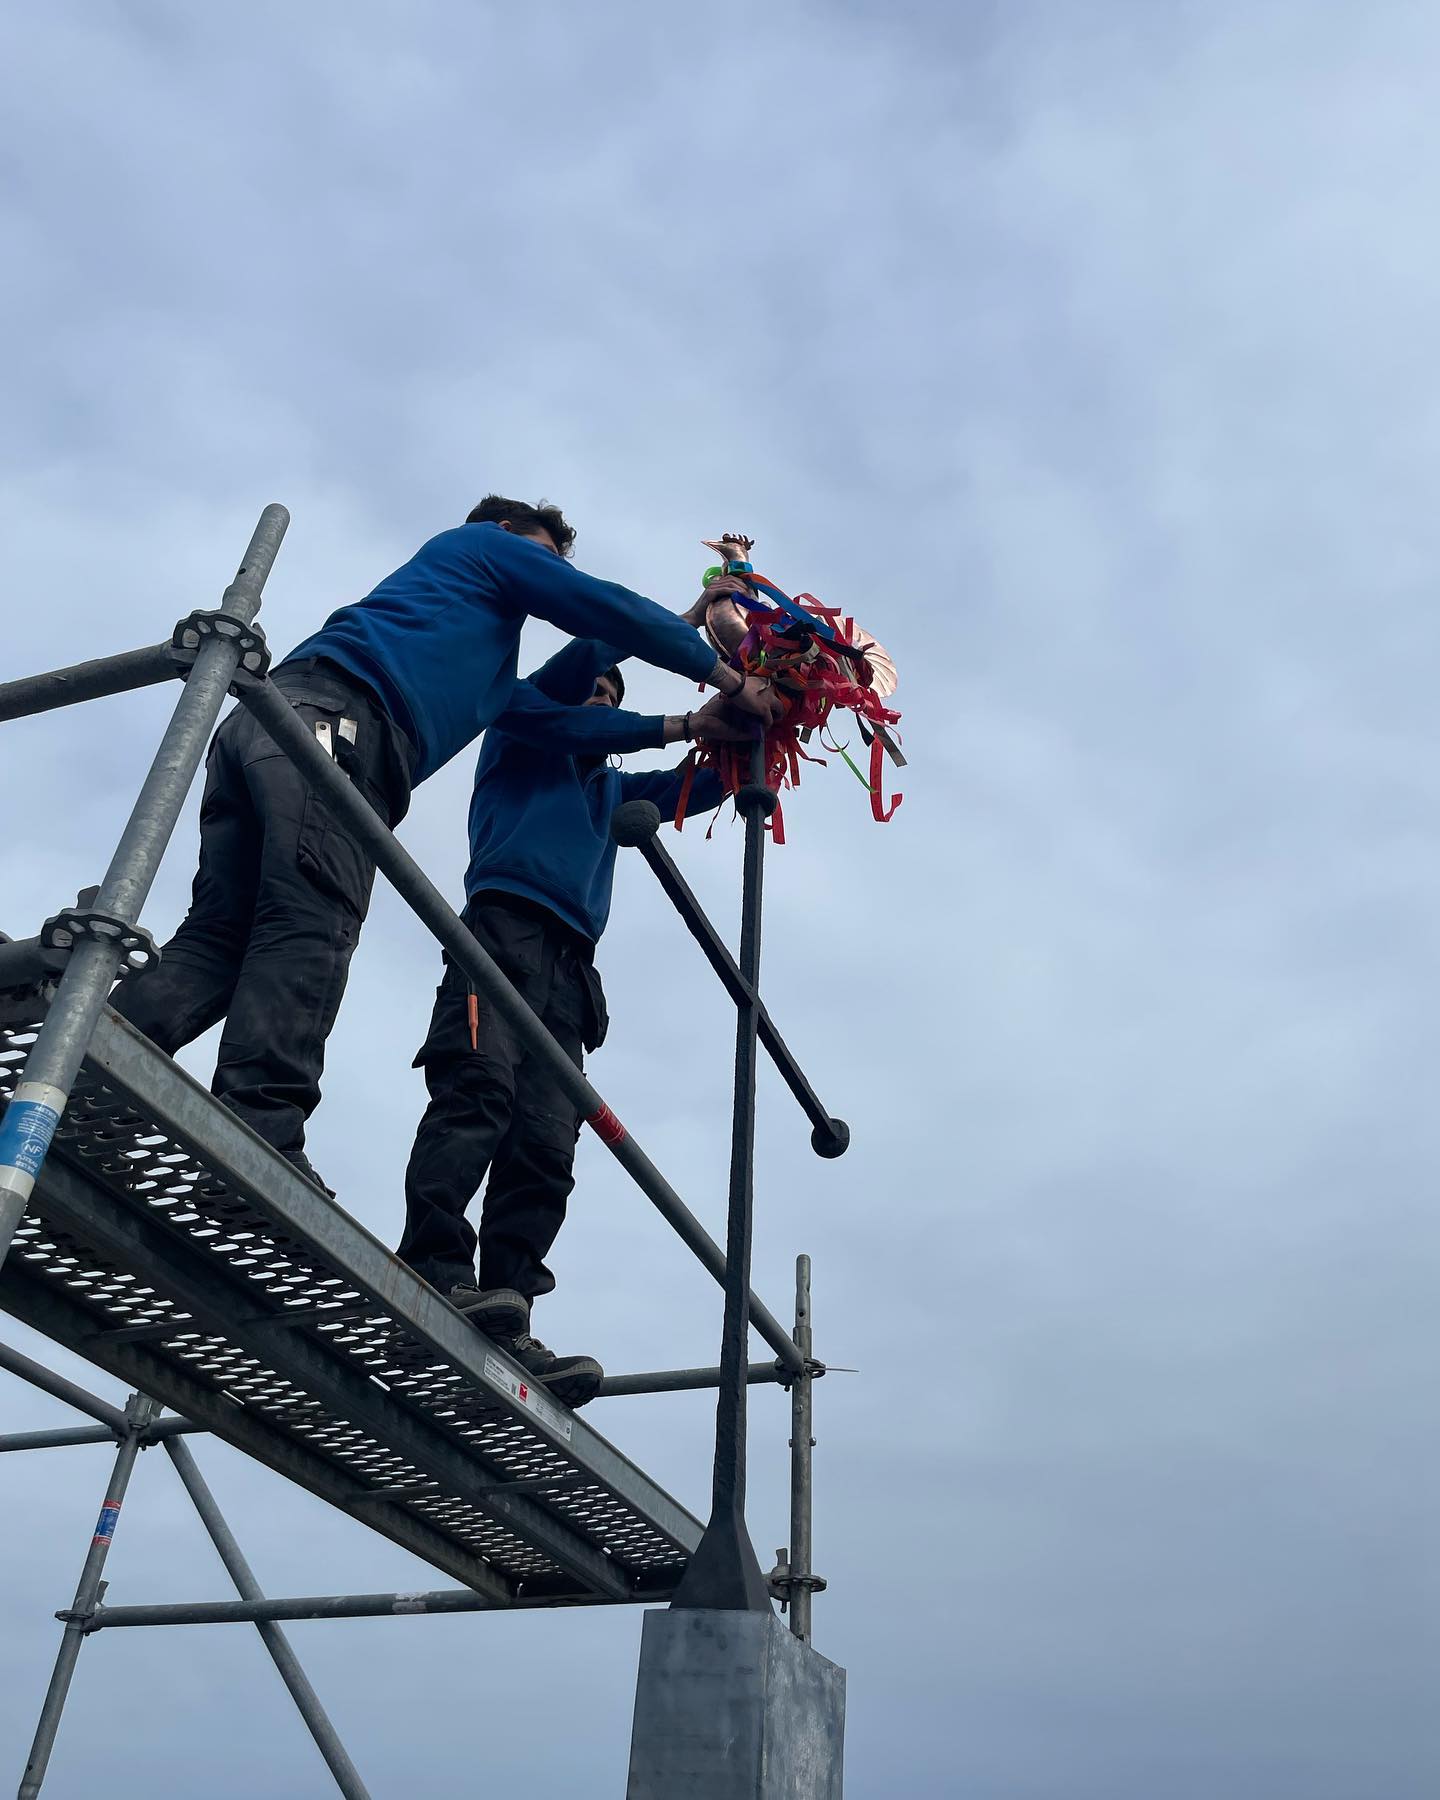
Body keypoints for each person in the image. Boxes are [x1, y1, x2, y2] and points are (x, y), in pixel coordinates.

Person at [111, 497, 779, 1190]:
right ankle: (259, 1136)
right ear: (503, 532)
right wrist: (727, 674)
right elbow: (597, 612)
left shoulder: (487, 675)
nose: (546, 570)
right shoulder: (482, 548)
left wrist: (693, 716)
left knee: (222, 936)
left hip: (279, 720)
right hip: (337, 724)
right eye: (544, 555)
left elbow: (563, 723)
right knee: (312, 922)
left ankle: (90, 1052)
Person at [395, 639, 735, 1405]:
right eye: (592, 693)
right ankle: (432, 1269)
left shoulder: (613, 792)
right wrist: (675, 633)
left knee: (547, 1144)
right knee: (476, 1092)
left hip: (572, 972)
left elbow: (713, 780)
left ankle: (508, 1309)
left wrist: (770, 716)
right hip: (502, 932)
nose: (602, 702)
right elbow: (581, 660)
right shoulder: (521, 734)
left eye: (613, 698)